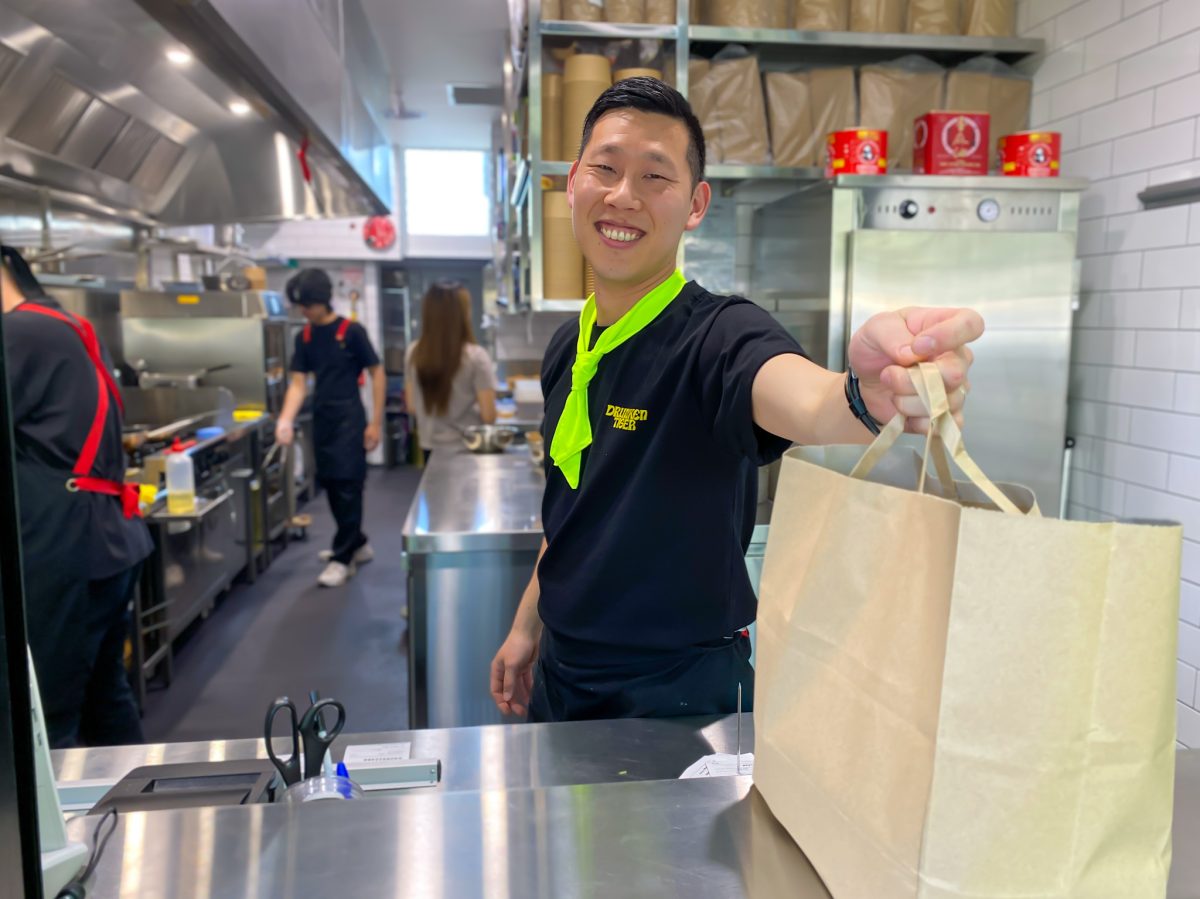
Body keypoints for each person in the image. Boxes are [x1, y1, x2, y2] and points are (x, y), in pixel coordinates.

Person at [489, 78, 983, 722]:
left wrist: (864, 397)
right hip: (563, 669)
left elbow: (806, 400)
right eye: (605, 169)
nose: (622, 196)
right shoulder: (569, 346)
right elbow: (574, 513)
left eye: (654, 177)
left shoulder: (718, 335)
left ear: (696, 204)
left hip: (680, 694)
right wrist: (528, 623)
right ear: (574, 181)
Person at [1, 245, 152, 747]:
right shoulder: (62, 323)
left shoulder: (19, 331)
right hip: (104, 539)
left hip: (64, 545)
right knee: (105, 696)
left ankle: (59, 824)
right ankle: (131, 816)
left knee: (52, 712)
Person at [276, 268, 385, 588]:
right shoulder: (305, 337)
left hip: (351, 420)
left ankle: (343, 558)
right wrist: (285, 418)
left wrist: (375, 422)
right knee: (332, 484)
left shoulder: (351, 332)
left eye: (307, 305)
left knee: (349, 485)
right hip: (322, 420)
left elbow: (376, 373)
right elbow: (298, 383)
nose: (303, 311)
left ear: (322, 300)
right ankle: (357, 542)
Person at [404, 281, 498, 460]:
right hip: (468, 448)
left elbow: (412, 406)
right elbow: (489, 416)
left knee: (435, 488)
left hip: (430, 449)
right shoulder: (476, 356)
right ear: (462, 314)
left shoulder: (414, 352)